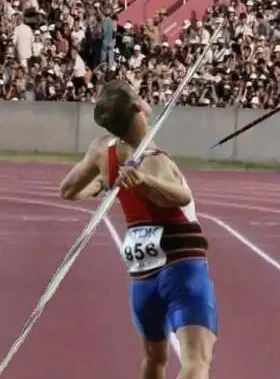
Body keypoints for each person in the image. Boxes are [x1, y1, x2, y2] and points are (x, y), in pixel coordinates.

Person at [59, 79, 217, 379]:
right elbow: (182, 197)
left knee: (154, 359)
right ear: (138, 107)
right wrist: (147, 182)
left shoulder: (101, 150)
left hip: (142, 275)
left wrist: (101, 184)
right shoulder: (154, 160)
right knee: (196, 361)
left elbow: (68, 190)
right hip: (181, 265)